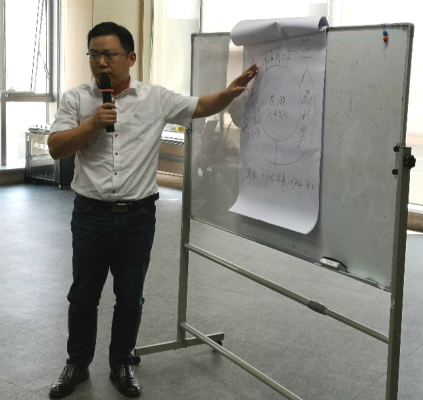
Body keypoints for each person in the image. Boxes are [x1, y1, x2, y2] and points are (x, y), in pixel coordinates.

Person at [47, 22, 258, 399]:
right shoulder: (76, 99)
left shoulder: (155, 98)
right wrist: (93, 124)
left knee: (130, 296)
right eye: (94, 55)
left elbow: (200, 106)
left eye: (109, 55)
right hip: (90, 215)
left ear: (130, 58)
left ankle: (121, 362)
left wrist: (230, 92)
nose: (100, 63)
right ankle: (77, 363)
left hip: (137, 218)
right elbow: (56, 146)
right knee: (83, 295)